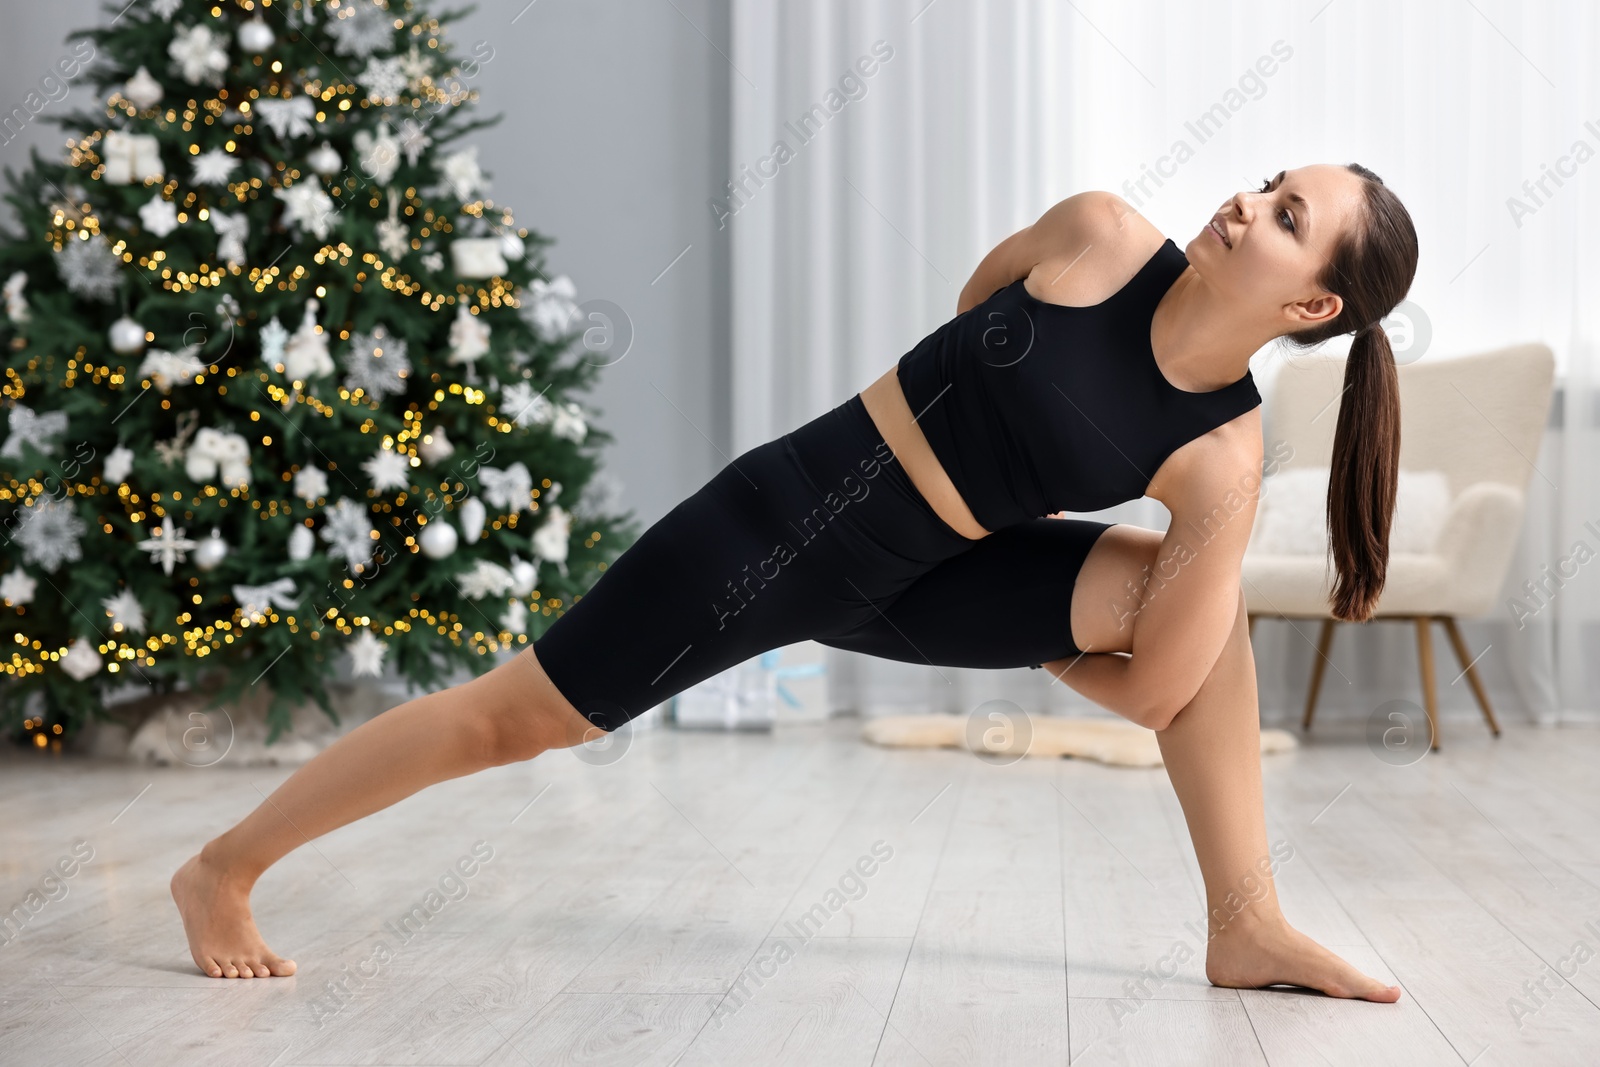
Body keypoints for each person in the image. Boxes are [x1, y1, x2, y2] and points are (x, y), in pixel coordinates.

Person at [172, 163, 1416, 1002]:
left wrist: (1020, 626)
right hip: (772, 531)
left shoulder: (1219, 459)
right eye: (1265, 182)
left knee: (1203, 624)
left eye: (1286, 217)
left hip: (941, 571)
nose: (1246, 206)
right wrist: (1032, 611)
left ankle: (1242, 921)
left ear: (1311, 301)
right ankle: (221, 868)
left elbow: (1162, 693)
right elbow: (977, 306)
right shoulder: (1099, 231)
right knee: (515, 717)